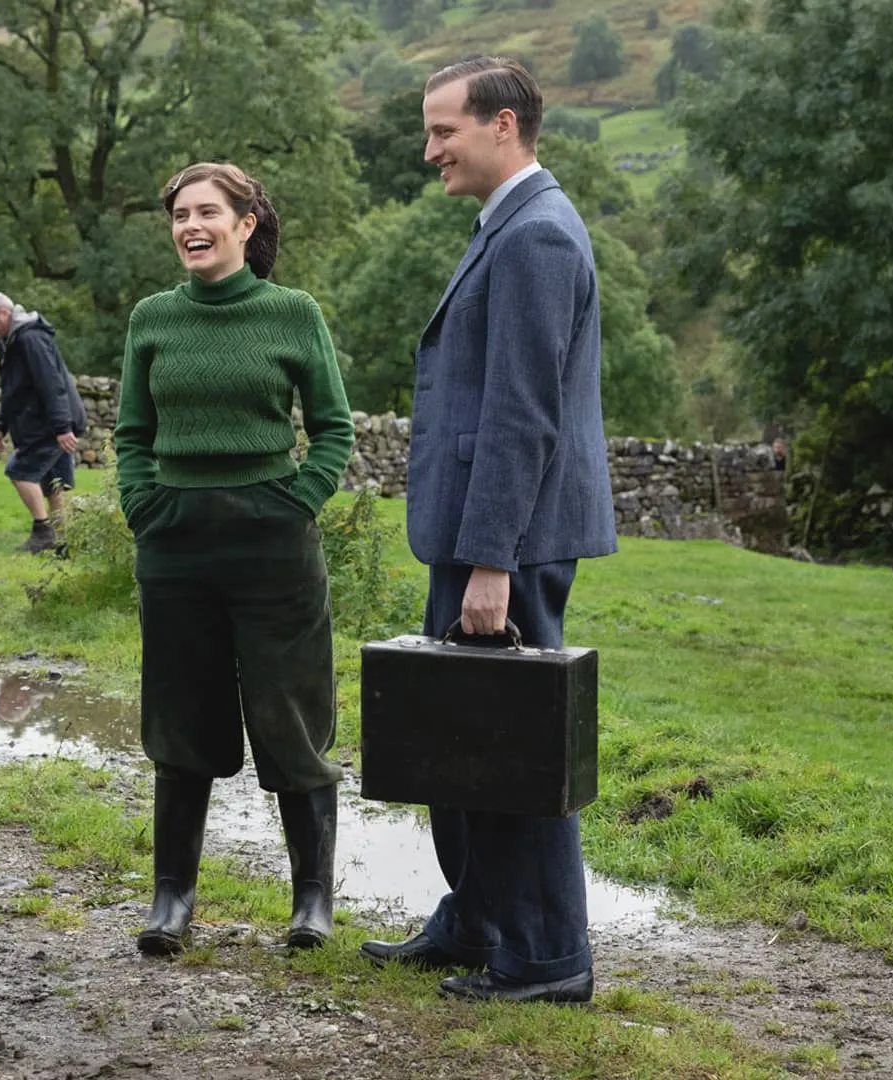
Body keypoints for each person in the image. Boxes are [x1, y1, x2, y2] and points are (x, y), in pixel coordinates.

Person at [357, 57, 617, 1005]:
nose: (430, 151)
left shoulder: (538, 236)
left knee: (514, 747)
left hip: (509, 539)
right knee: (458, 734)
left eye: (442, 131)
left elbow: (522, 416)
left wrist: (491, 563)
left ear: (502, 126)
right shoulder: (509, 224)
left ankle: (548, 957)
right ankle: (477, 917)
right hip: (477, 532)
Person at [116, 162, 356, 957]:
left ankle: (312, 900)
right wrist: (146, 508)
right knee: (181, 719)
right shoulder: (152, 318)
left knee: (291, 718)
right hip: (175, 544)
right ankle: (172, 898)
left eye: (207, 212)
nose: (191, 226)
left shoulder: (293, 314)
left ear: (245, 224)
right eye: (180, 214)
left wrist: (296, 501)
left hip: (273, 545)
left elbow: (332, 427)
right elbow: (131, 434)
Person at [0, 293, 85, 553]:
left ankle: (43, 531)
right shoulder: (8, 342)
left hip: (49, 424)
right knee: (54, 484)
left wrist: (62, 427)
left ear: (4, 314)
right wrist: (0, 425)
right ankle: (63, 543)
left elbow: (51, 383)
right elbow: (11, 390)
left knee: (19, 471)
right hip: (48, 422)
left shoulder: (30, 338)